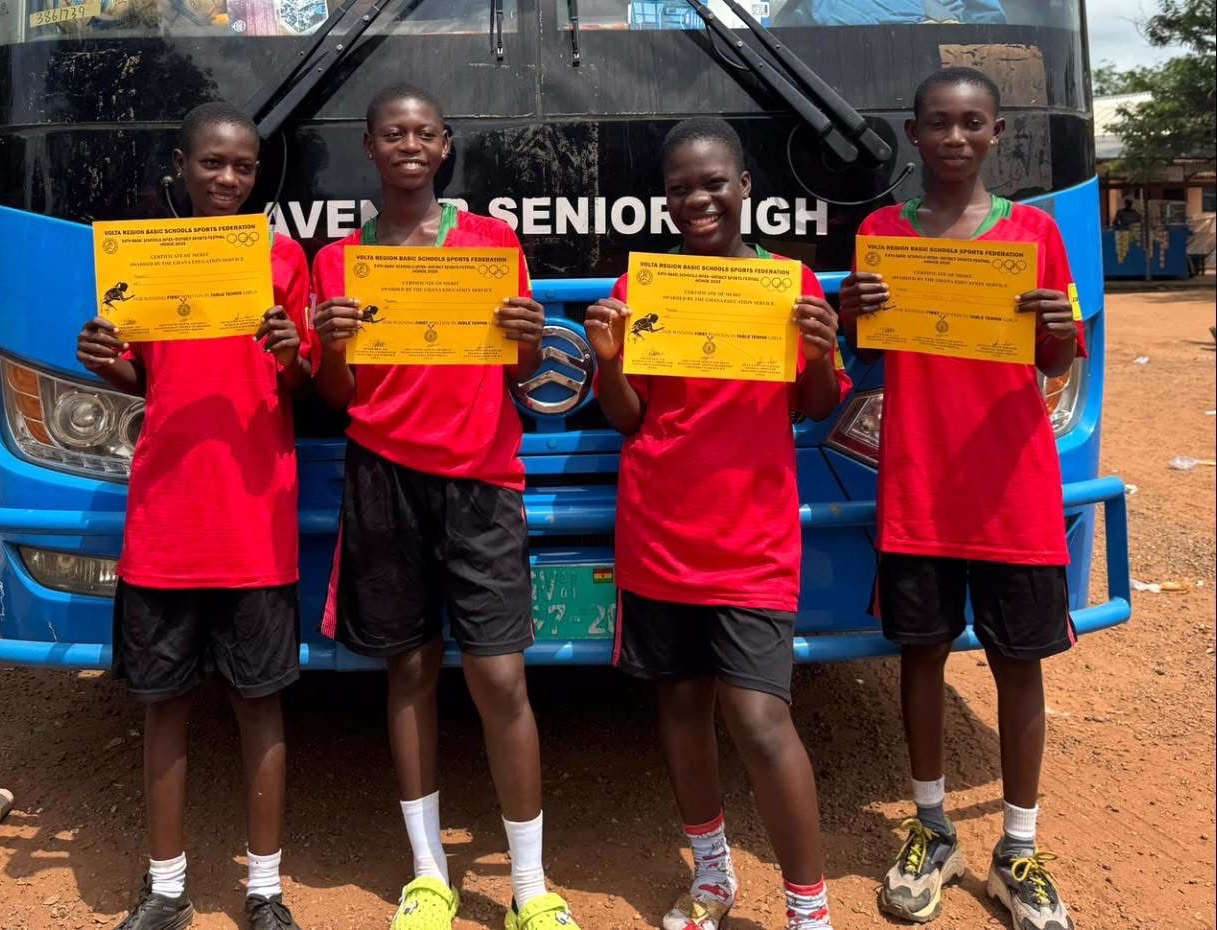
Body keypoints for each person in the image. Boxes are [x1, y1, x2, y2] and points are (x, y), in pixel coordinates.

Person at [309, 84, 580, 930]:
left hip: (481, 479)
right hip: (382, 477)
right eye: (395, 133)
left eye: (425, 133)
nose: (410, 146)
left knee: (502, 677)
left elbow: (520, 371)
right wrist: (335, 342)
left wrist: (529, 333)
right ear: (369, 146)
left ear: (446, 144)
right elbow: (333, 392)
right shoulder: (340, 260)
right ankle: (428, 874)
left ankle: (531, 887)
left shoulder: (493, 246)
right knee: (409, 671)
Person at [587, 117, 851, 930]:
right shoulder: (645, 289)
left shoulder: (791, 284)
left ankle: (809, 909)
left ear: (746, 188)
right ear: (662, 202)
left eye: (712, 183)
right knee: (680, 708)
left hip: (752, 537)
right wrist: (605, 359)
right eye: (679, 188)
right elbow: (631, 420)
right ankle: (712, 872)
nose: (697, 198)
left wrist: (818, 352)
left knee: (762, 719)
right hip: (660, 529)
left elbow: (815, 407)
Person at [838, 67, 1085, 930]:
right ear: (913, 134)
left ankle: (1019, 846)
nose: (953, 137)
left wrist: (1056, 323)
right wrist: (850, 307)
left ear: (995, 134)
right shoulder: (881, 233)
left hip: (1012, 489)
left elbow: (1056, 363)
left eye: (970, 123)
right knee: (922, 657)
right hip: (918, 490)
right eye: (937, 123)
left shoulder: (1035, 233)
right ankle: (932, 825)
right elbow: (865, 350)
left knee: (1018, 666)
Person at [76, 102, 312, 930]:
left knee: (260, 707)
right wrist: (106, 362)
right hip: (165, 528)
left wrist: (291, 356)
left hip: (254, 526)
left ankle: (264, 888)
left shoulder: (284, 261)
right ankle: (166, 886)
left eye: (243, 168)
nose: (227, 178)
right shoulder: (143, 260)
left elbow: (304, 385)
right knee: (164, 706)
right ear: (180, 167)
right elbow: (144, 380)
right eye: (212, 164)